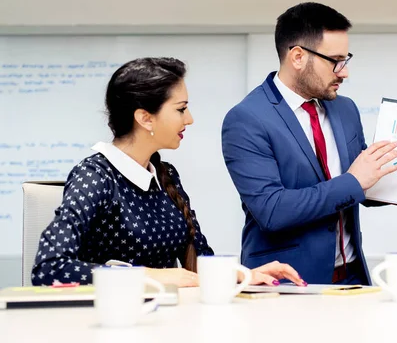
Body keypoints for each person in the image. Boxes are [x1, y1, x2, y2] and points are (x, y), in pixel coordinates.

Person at [221, 2, 397, 285]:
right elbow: (272, 210)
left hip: (353, 276)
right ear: (297, 57)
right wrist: (354, 181)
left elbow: (362, 186)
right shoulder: (247, 119)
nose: (344, 72)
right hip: (288, 283)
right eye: (335, 61)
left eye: (346, 60)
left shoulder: (344, 109)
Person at [32, 57, 305, 288]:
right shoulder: (94, 176)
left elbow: (198, 261)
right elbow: (50, 268)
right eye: (181, 109)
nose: (190, 119)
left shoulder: (165, 174)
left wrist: (247, 275)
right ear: (145, 118)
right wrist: (155, 277)